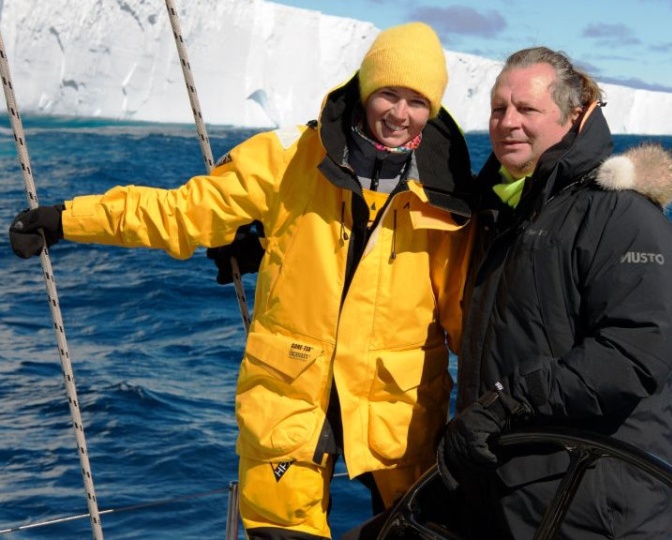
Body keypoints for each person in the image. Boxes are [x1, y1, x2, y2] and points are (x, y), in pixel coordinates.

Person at [9, 22, 475, 540]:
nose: (399, 112)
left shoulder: (447, 194)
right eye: (389, 92)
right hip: (289, 401)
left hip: (400, 413)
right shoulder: (289, 157)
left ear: (432, 108)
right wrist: (68, 219)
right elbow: (182, 212)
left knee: (421, 530)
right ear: (365, 89)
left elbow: (466, 316)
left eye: (416, 99)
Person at [437, 46, 672, 538]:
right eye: (498, 108)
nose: (508, 122)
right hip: (513, 490)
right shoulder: (503, 213)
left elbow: (633, 353)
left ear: (574, 115)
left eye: (527, 109)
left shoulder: (623, 217)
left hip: (591, 498)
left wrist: (506, 405)